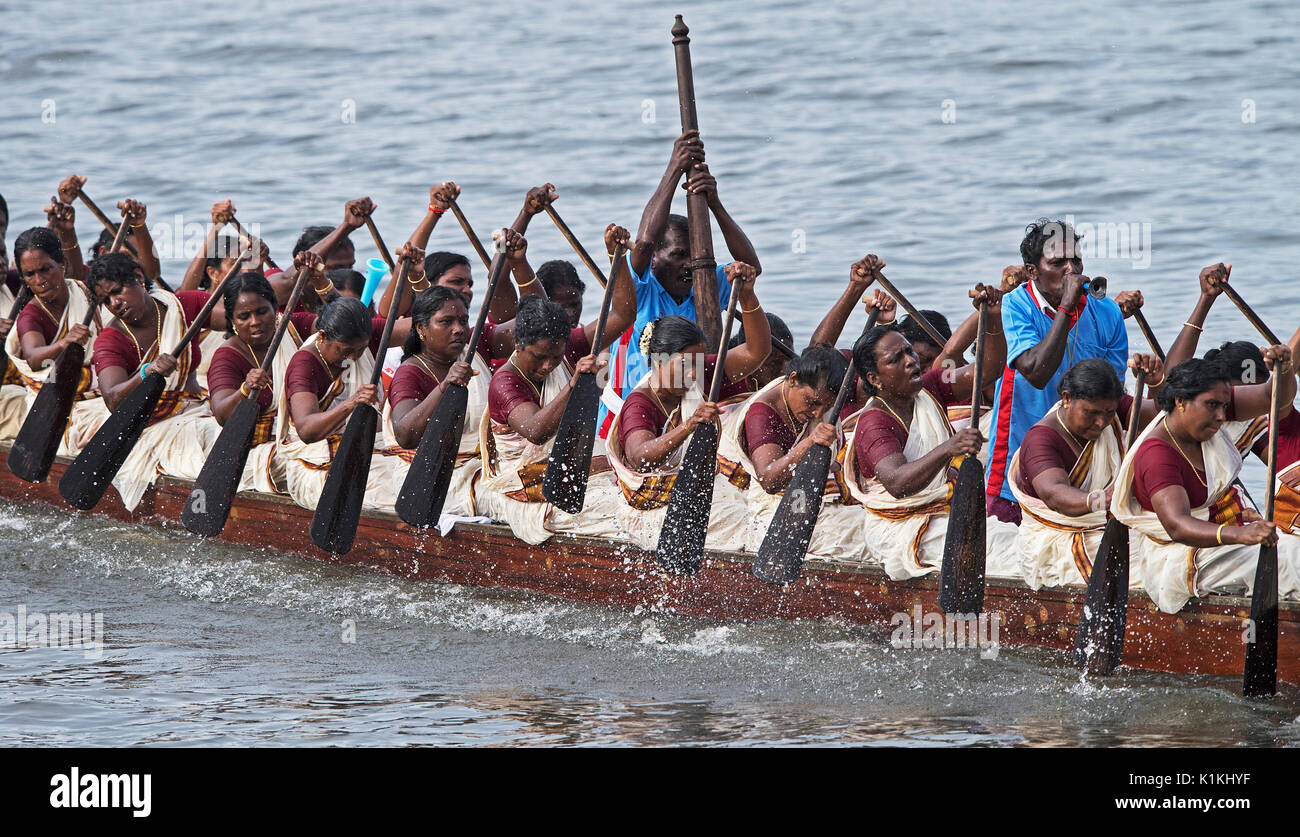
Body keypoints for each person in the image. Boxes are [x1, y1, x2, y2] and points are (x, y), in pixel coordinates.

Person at [842, 284, 1020, 580]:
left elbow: (988, 370)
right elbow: (898, 483)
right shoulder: (875, 422)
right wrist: (950, 448)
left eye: (908, 352)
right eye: (895, 360)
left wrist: (993, 318)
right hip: (899, 528)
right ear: (874, 378)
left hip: (938, 515)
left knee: (1008, 536)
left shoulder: (932, 386)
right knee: (1004, 547)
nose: (910, 361)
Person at [476, 228, 638, 545]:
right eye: (539, 357)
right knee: (623, 508)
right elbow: (536, 430)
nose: (549, 365)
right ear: (518, 344)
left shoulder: (570, 346)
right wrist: (575, 382)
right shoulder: (505, 382)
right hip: (521, 487)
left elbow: (622, 313)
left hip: (566, 468)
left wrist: (616, 258)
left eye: (556, 356)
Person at [598, 130, 762, 435]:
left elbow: (751, 267)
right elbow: (644, 241)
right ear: (656, 259)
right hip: (629, 414)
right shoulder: (640, 286)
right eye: (679, 255)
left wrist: (714, 203)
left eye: (695, 257)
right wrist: (675, 167)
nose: (690, 264)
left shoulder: (707, 281)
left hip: (690, 411)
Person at [1111, 355, 1300, 612]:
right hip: (1180, 557)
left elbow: (1275, 396)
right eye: (1213, 405)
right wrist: (1240, 533)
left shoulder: (1207, 412)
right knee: (1291, 557)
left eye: (1224, 405)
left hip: (1216, 538)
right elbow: (1177, 526)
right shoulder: (1158, 454)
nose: (1223, 416)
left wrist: (1286, 368)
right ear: (1180, 401)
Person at [606, 263, 771, 552]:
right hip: (653, 504)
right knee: (746, 525)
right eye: (683, 366)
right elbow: (641, 457)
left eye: (696, 364)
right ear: (658, 361)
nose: (693, 374)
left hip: (696, 486)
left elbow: (757, 352)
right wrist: (688, 426)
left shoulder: (697, 370)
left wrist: (747, 295)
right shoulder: (640, 403)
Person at [984, 219, 1138, 525]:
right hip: (1019, 450)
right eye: (1057, 263)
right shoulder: (1015, 305)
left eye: (1076, 261)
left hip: (1088, 456)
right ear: (1032, 272)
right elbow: (1036, 372)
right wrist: (1068, 306)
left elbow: (1109, 391)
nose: (1072, 270)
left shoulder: (1106, 311)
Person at [275, 245, 419, 512]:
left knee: (416, 474)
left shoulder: (363, 334)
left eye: (360, 350)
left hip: (368, 446)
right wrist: (351, 403)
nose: (353, 357)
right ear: (322, 337)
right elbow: (307, 430)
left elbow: (422, 325)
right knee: (397, 493)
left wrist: (411, 272)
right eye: (345, 351)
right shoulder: (304, 363)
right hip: (314, 461)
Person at [1008, 355, 1163, 589]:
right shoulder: (1041, 439)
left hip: (1107, 527)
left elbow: (1159, 417)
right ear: (1067, 398)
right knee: (1155, 568)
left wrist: (1156, 384)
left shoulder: (1110, 407)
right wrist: (1106, 499)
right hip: (1057, 542)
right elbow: (1054, 494)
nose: (1101, 423)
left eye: (1108, 413)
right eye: (1091, 413)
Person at [87, 252, 226, 510]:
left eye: (118, 291)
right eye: (106, 300)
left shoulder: (181, 306)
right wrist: (146, 373)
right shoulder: (110, 339)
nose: (115, 303)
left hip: (194, 409)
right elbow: (113, 399)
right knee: (219, 443)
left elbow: (237, 318)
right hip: (149, 427)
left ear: (139, 278)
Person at [716, 344, 866, 560]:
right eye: (813, 403)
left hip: (810, 502)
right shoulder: (762, 413)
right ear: (793, 379)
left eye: (827, 407)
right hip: (774, 517)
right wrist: (809, 444)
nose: (818, 413)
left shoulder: (816, 395)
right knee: (864, 534)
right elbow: (769, 480)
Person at [203, 258, 323, 494]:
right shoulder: (227, 356)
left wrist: (322, 281)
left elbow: (340, 327)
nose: (255, 322)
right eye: (244, 317)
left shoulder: (293, 326)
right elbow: (221, 414)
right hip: (255, 450)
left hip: (302, 437)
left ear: (275, 308)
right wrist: (245, 390)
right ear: (233, 321)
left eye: (262, 312)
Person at [383, 285, 489, 520]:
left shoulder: (474, 352)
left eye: (463, 321)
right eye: (446, 322)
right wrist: (444, 387)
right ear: (421, 329)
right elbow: (405, 434)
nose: (459, 330)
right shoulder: (409, 373)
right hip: (425, 476)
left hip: (476, 467)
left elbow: (517, 323)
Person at [5, 226, 105, 450]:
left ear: (62, 265)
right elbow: (33, 357)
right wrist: (65, 343)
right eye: (30, 274)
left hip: (100, 396)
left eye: (45, 269)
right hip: (58, 410)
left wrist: (68, 228)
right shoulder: (31, 316)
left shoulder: (81, 290)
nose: (40, 280)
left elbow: (144, 274)